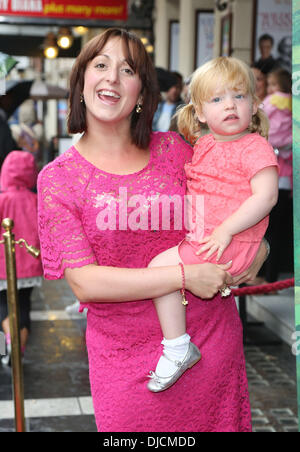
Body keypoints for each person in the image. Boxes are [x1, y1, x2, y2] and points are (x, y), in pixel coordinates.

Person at [37, 28, 268, 432]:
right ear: (81, 81)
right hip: (124, 358)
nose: (111, 78)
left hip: (211, 339)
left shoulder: (178, 150)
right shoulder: (59, 179)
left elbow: (238, 200)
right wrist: (185, 275)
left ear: (142, 93)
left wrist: (261, 247)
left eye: (127, 69)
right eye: (101, 65)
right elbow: (84, 283)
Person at [147, 56, 278, 392]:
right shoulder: (204, 144)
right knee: (166, 274)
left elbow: (265, 198)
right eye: (217, 99)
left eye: (239, 96)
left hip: (229, 243)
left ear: (253, 105)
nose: (230, 105)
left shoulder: (255, 146)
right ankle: (179, 343)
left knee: (159, 271)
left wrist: (227, 229)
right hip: (207, 241)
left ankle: (177, 347)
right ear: (201, 113)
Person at [0, 151, 43, 365]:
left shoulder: (1, 199)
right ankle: (20, 349)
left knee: (3, 307)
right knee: (24, 306)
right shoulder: (36, 200)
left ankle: (7, 344)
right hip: (29, 266)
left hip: (2, 266)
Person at [262, 68, 293, 282]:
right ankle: (270, 276)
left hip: (272, 176)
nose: (270, 88)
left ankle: (264, 275)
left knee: (267, 230)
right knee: (277, 231)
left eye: (272, 84)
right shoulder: (294, 105)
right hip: (286, 178)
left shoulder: (272, 101)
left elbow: (261, 122)